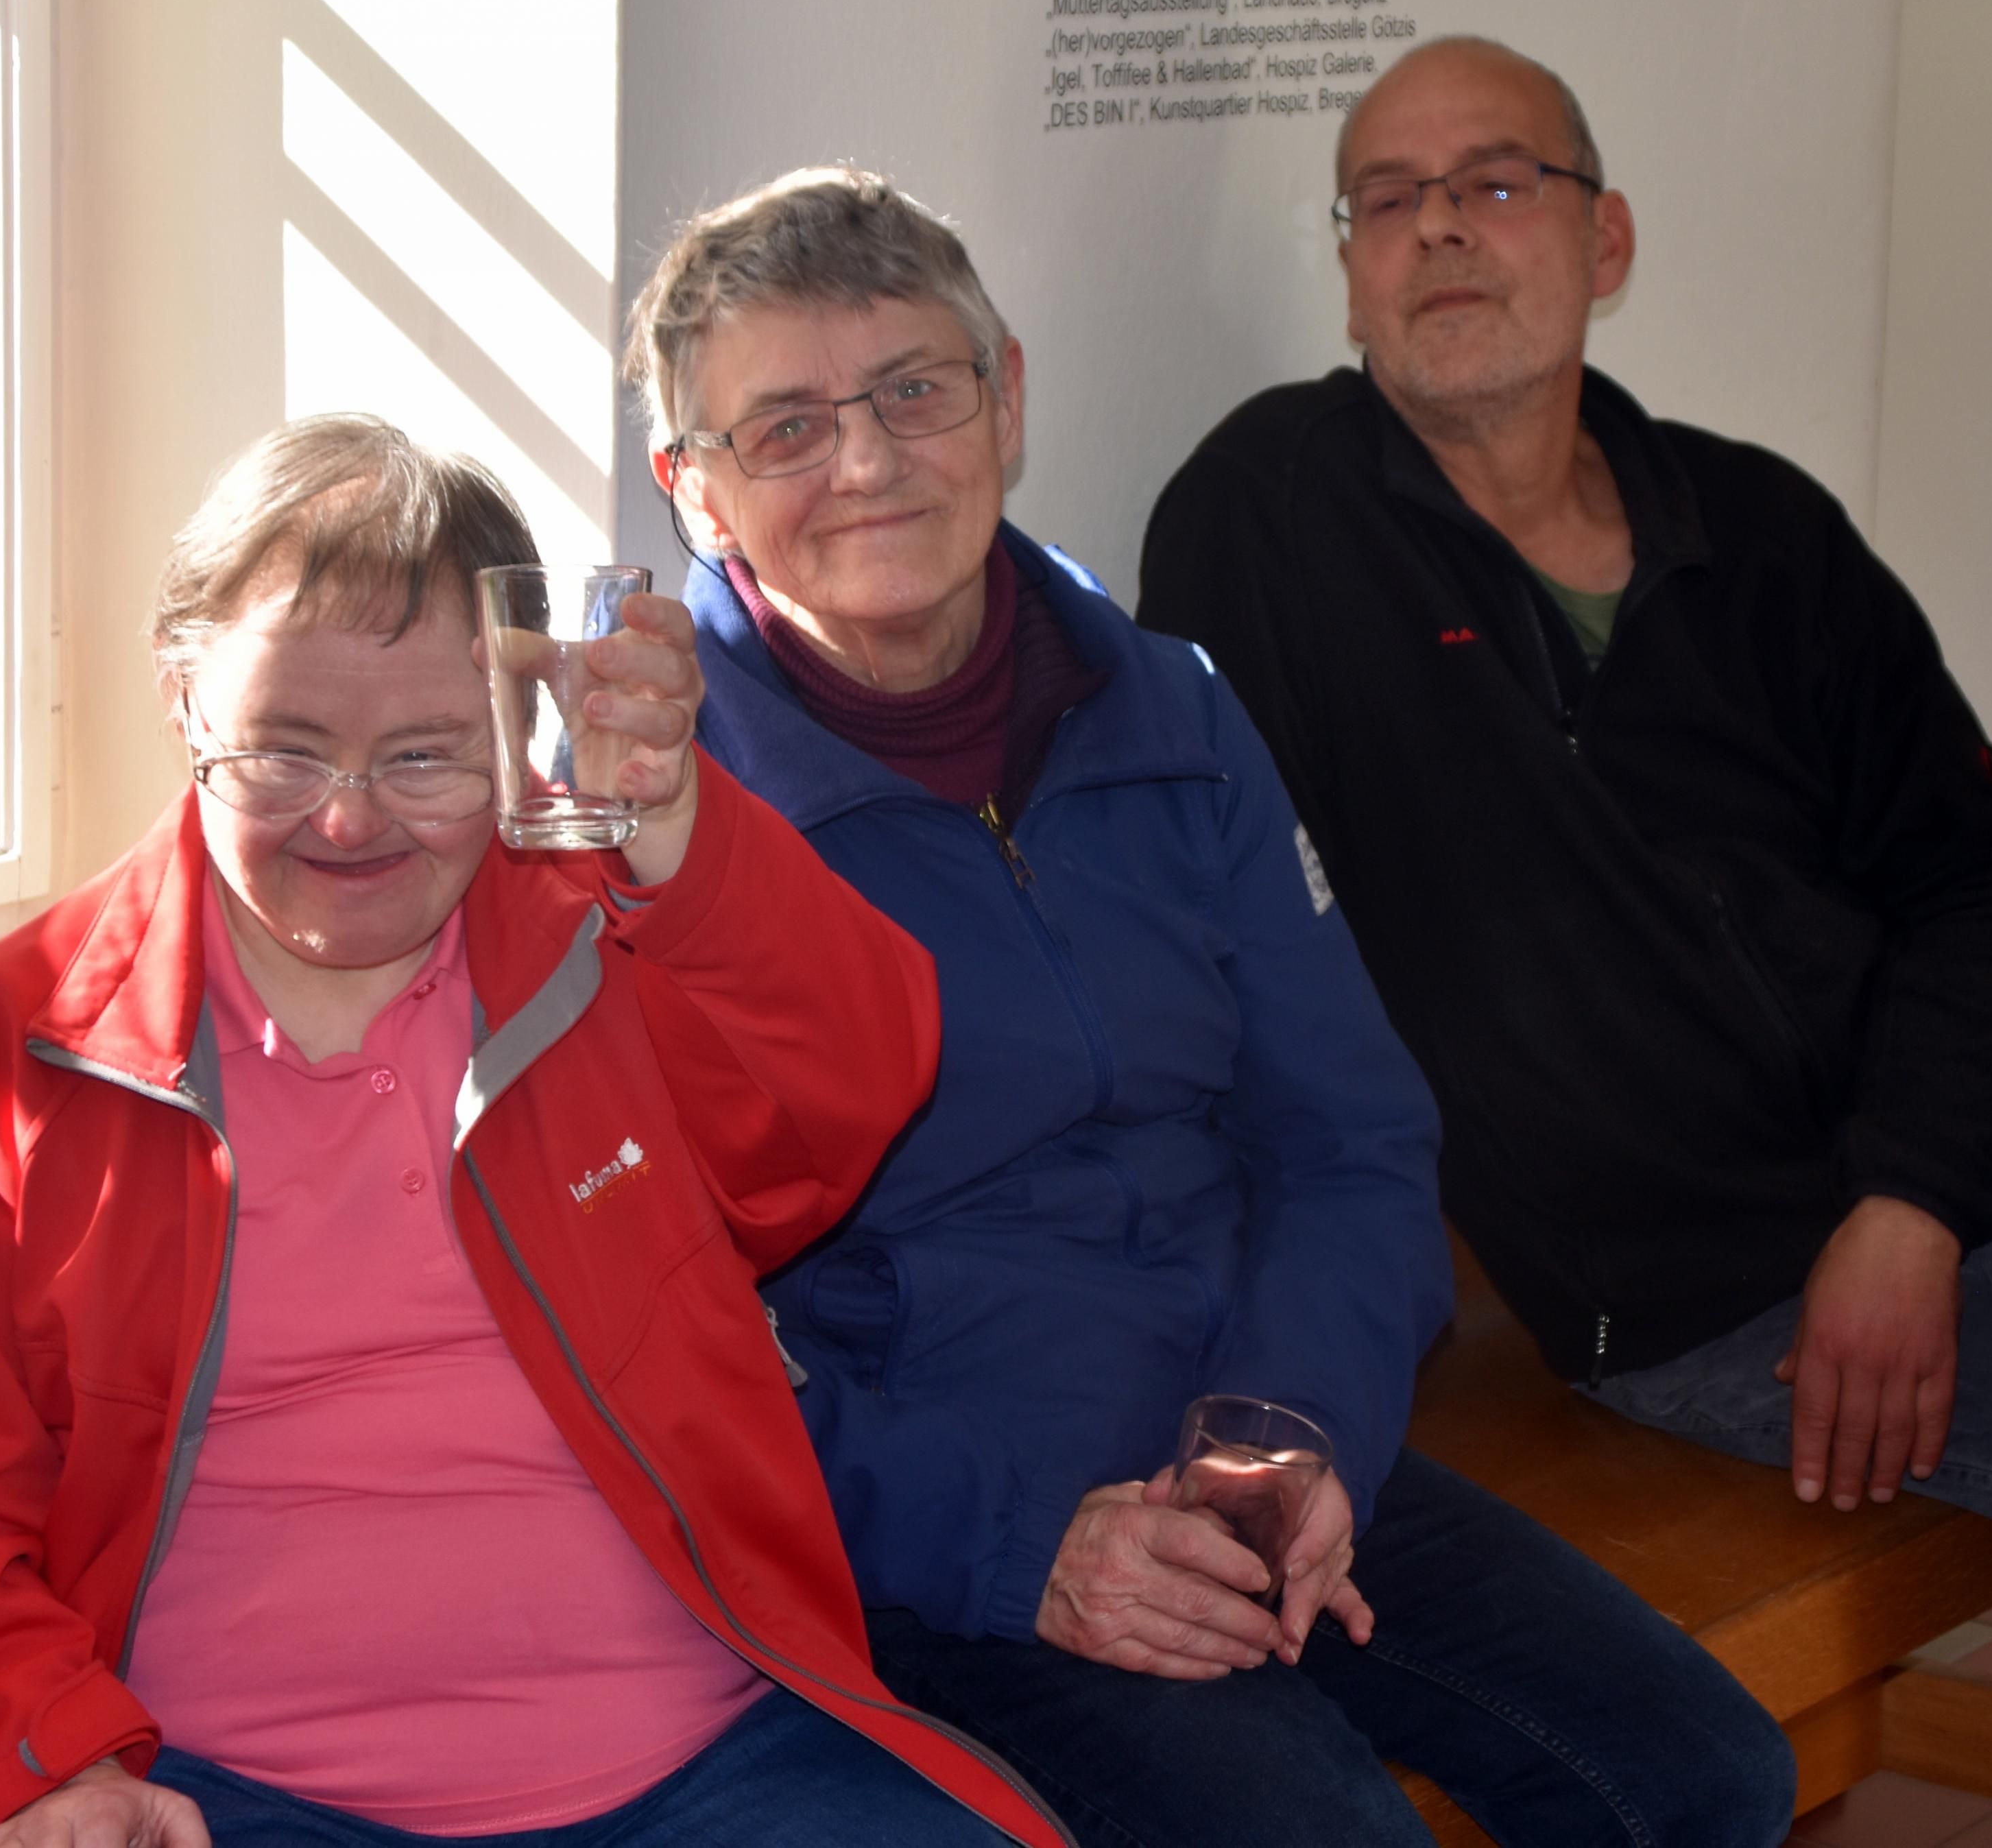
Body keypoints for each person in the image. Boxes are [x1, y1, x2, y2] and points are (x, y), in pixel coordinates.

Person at [1138, 35, 1992, 1844]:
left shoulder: (1756, 527)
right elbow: (1218, 925)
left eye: (1495, 182)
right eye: (1387, 199)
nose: (1438, 227)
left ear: (1604, 242)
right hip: (1700, 1280)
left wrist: (1910, 1196)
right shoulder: (1272, 518)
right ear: (1351, 271)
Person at [628, 166, 1795, 1848]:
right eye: (787, 428)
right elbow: (661, 1331)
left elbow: (1349, 1134)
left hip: (1239, 1435)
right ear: (697, 491)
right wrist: (1016, 1545)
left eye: (913, 390)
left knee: (1698, 1771)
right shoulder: (652, 821)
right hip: (929, 1539)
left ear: (1005, 397)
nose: (867, 463)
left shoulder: (1165, 706)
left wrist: (1292, 1430)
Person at [0, 416, 1069, 1848]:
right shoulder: (23, 1042)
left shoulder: (607, 954)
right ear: (185, 701)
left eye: (425, 757)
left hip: (710, 1770)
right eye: (285, 752)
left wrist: (679, 821)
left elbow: (851, 1083)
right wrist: (49, 1767)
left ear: (512, 717)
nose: (349, 821)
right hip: (213, 1794)